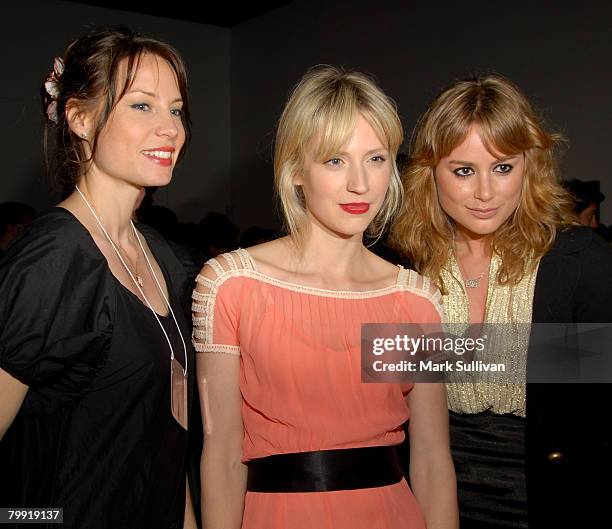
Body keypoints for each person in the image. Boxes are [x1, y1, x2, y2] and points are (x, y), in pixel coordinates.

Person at [192, 66, 458, 529]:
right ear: (295, 171)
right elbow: (221, 458)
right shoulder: (232, 285)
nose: (360, 183)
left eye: (375, 159)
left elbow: (433, 463)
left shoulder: (414, 302)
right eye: (335, 160)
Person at [391, 74, 612, 528]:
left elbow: (594, 411)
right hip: (427, 497)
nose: (486, 193)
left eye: (503, 167)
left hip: (552, 499)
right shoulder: (402, 268)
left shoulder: (578, 261)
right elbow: (381, 387)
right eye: (464, 170)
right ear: (430, 171)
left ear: (529, 167)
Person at [0, 27, 197, 529]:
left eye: (175, 110)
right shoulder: (53, 260)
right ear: (79, 117)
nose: (169, 128)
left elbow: (167, 434)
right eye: (142, 106)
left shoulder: (164, 258)